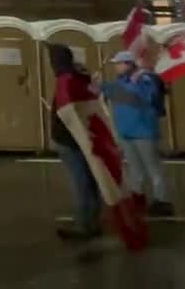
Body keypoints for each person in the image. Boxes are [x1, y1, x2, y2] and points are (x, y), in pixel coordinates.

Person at [101, 50, 174, 217]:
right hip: (127, 132)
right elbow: (101, 91)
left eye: (119, 64)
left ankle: (162, 201)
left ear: (128, 64)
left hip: (144, 131)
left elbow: (146, 97)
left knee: (153, 168)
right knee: (135, 169)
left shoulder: (145, 80)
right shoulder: (119, 82)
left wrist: (136, 82)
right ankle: (137, 196)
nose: (116, 68)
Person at [50, 44, 102, 241]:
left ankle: (83, 224)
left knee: (81, 182)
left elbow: (68, 112)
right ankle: (92, 221)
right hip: (82, 137)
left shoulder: (66, 80)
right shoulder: (80, 80)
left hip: (69, 139)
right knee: (89, 179)